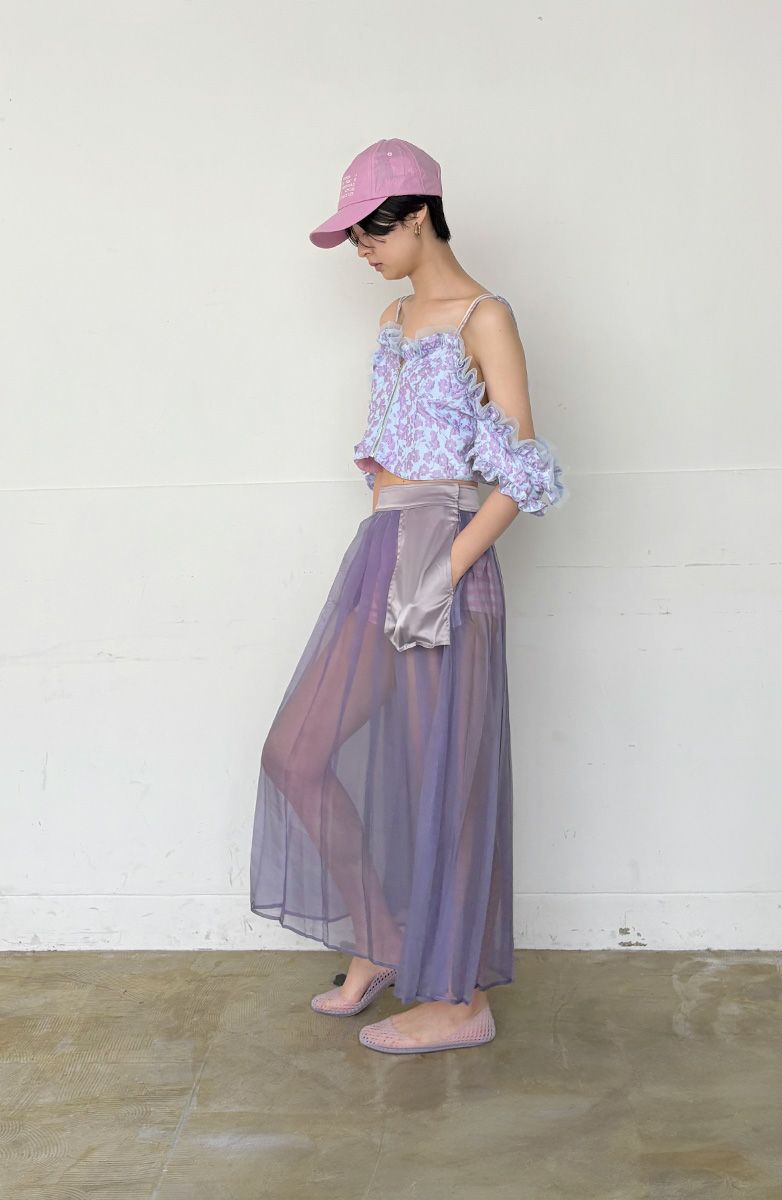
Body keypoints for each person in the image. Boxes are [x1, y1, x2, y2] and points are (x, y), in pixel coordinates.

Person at [250, 137, 568, 1055]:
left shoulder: (485, 316)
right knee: (296, 752)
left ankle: (462, 1001)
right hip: (382, 551)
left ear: (419, 214)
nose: (361, 249)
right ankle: (383, 937)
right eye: (353, 236)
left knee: (445, 780)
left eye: (370, 230)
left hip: (447, 558)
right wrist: (394, 562)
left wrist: (446, 567)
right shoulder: (392, 319)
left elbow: (522, 470)